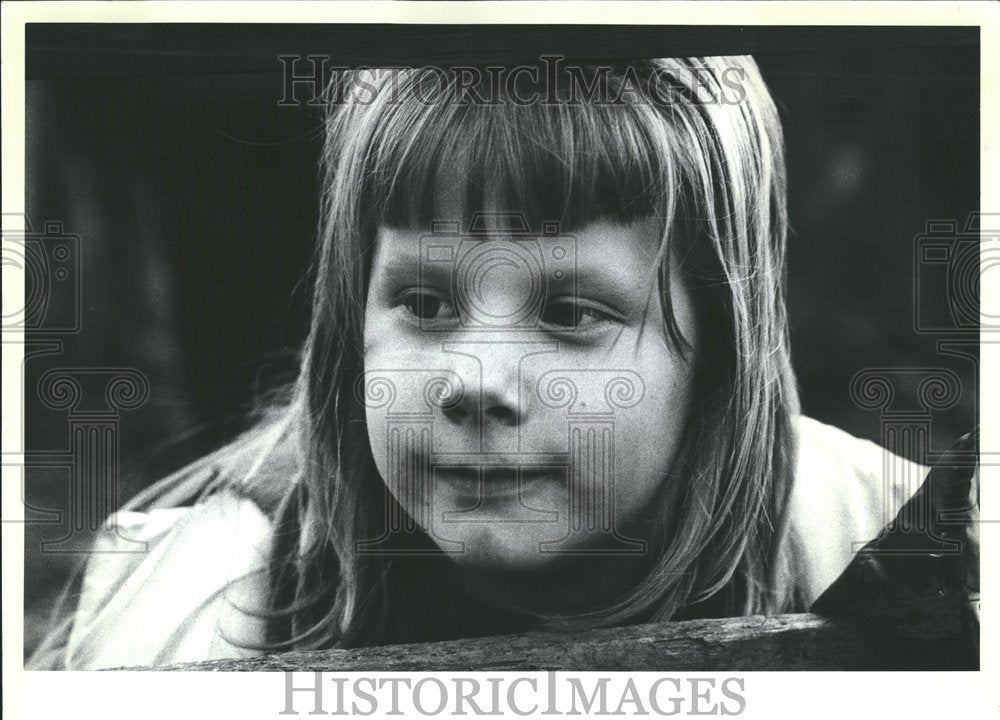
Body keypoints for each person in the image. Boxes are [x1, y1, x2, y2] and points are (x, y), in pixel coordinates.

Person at [29, 56, 928, 670]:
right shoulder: (212, 603)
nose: (477, 382)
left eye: (572, 313)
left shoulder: (890, 541)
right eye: (424, 304)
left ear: (722, 363)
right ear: (352, 328)